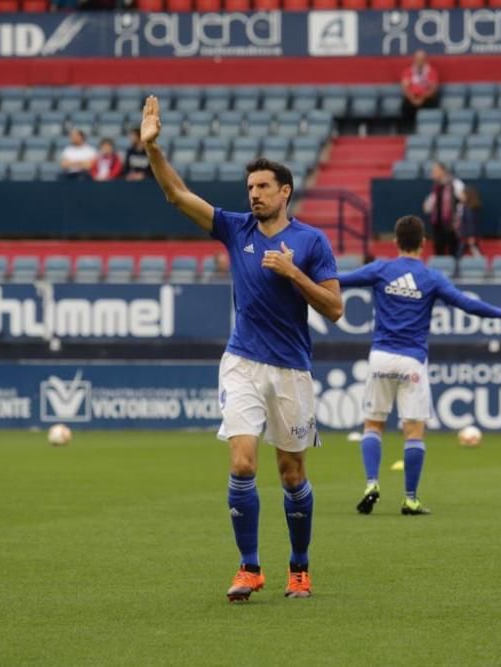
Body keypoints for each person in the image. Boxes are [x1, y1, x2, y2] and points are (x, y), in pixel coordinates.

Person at [140, 95, 343, 602]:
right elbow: (178, 196)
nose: (253, 194)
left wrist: (293, 273)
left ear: (285, 192)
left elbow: (335, 310)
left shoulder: (312, 242)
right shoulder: (236, 228)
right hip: (243, 362)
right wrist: (152, 150)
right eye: (249, 187)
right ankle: (250, 567)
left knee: (292, 474)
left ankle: (299, 567)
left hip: (292, 368)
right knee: (243, 465)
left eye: (262, 188)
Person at [337, 215, 501, 516]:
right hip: (412, 360)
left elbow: (337, 279)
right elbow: (465, 303)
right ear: (423, 243)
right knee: (413, 431)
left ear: (396, 242)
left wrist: (296, 273)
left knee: (373, 424)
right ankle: (410, 499)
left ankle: (371, 483)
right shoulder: (431, 277)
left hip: (380, 357)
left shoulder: (381, 269)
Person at [422, 162, 463, 260]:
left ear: (443, 171)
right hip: (438, 225)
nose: (433, 174)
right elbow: (429, 205)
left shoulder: (455, 184)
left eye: (435, 171)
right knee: (439, 252)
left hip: (452, 225)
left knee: (453, 253)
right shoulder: (436, 187)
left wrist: (458, 219)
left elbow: (463, 202)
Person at [400, 50, 440, 125]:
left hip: (426, 97)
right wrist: (413, 99)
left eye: (421, 59)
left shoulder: (431, 71)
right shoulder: (408, 71)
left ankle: (428, 126)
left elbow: (433, 88)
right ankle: (409, 128)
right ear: (414, 59)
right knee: (405, 106)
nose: (419, 61)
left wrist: (422, 98)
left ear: (425, 59)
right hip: (412, 97)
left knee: (432, 102)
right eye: (418, 59)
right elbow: (405, 88)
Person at [460, 186, 483, 258]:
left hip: (468, 236)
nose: (460, 196)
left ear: (467, 195)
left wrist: (471, 236)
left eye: (462, 194)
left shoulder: (468, 208)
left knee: (474, 252)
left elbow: (470, 223)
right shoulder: (469, 207)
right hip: (469, 235)